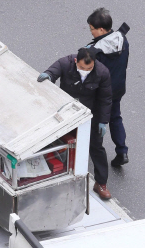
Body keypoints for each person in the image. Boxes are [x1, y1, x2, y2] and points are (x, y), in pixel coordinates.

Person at [38, 47, 113, 200]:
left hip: (89, 113)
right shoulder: (65, 63)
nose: (85, 70)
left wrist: (103, 122)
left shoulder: (102, 72)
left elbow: (105, 99)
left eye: (89, 68)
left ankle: (101, 183)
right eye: (82, 67)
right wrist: (48, 76)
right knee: (59, 143)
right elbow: (53, 71)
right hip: (66, 111)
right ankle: (54, 176)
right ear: (75, 61)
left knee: (96, 146)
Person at [86, 8, 130, 168]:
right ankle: (122, 151)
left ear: (102, 29)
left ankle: (92, 152)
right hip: (118, 88)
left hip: (102, 93)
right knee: (115, 117)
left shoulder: (97, 51)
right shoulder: (123, 40)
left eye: (92, 29)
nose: (91, 33)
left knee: (97, 120)